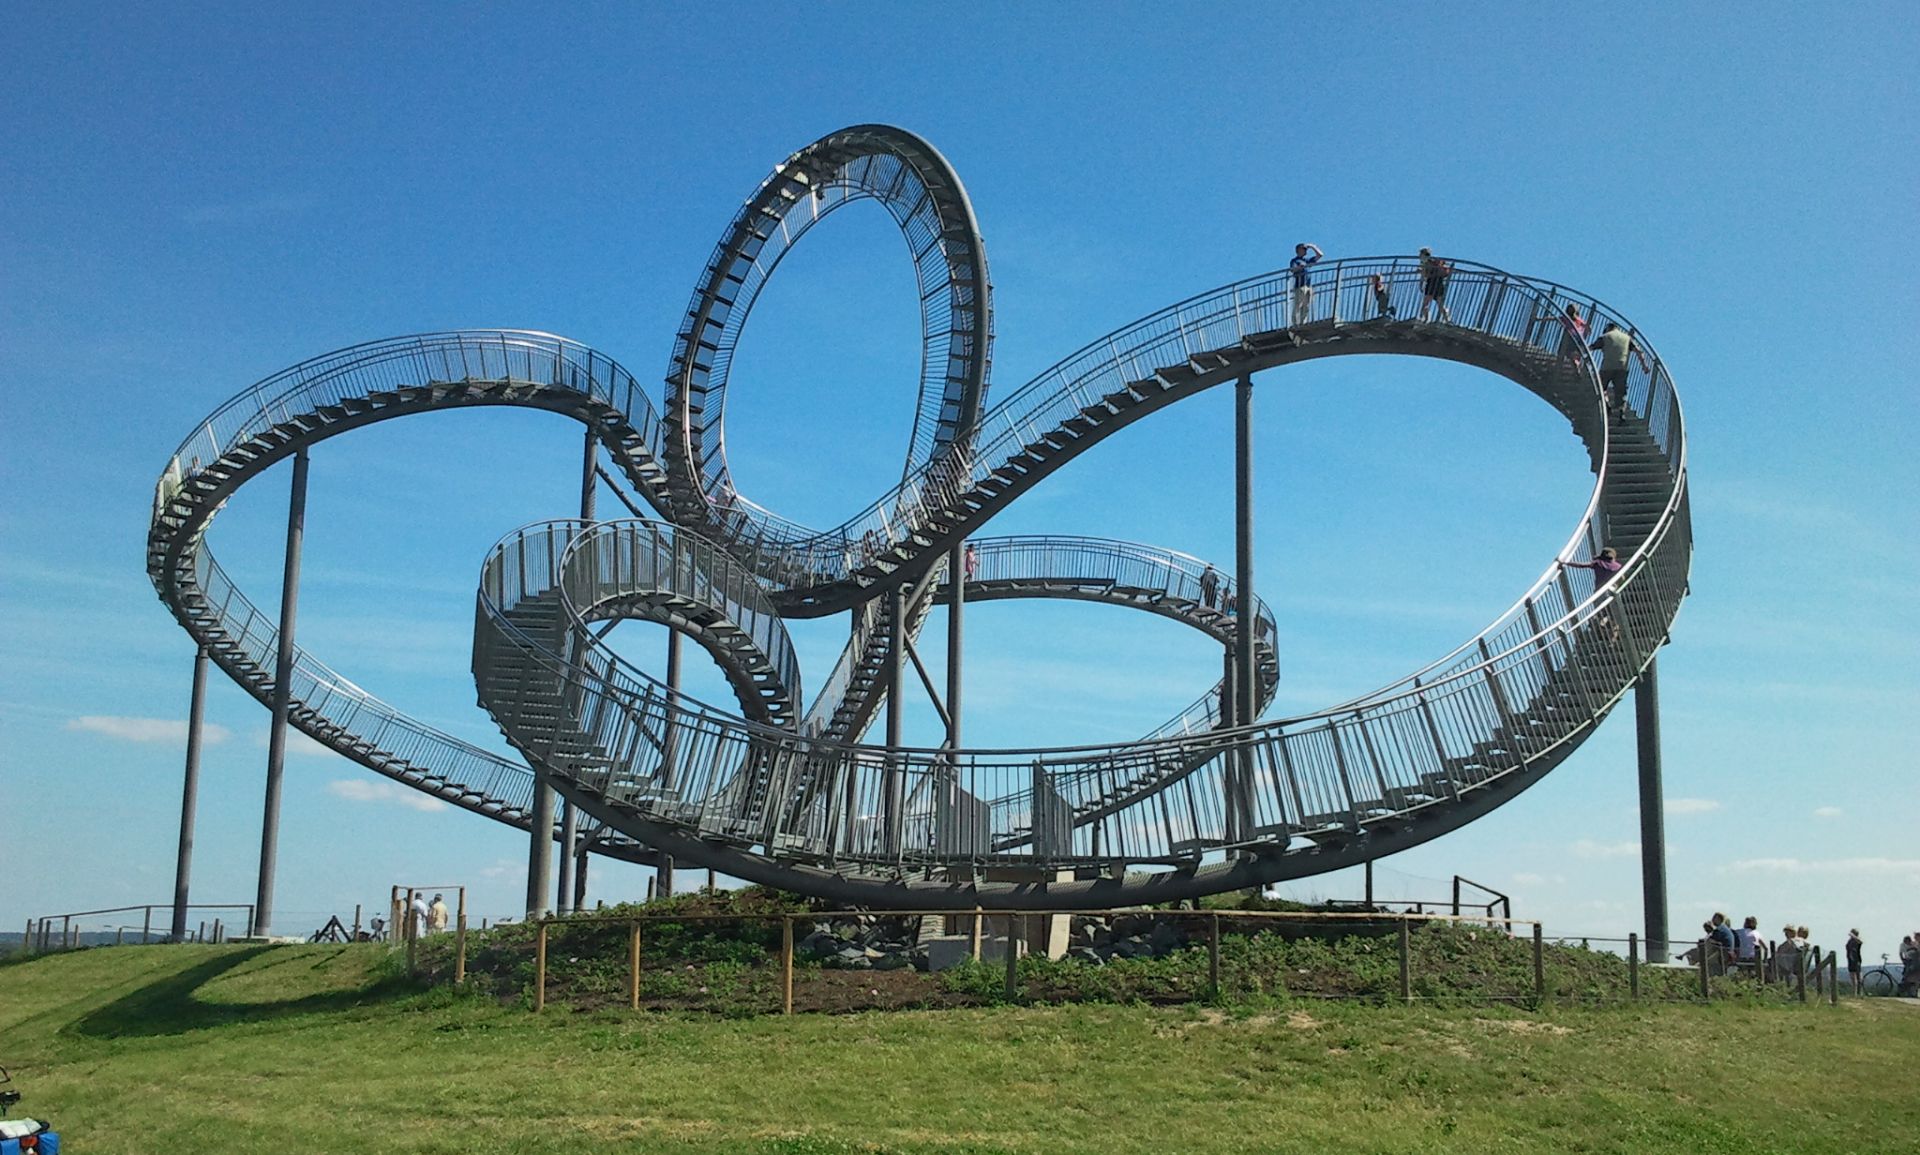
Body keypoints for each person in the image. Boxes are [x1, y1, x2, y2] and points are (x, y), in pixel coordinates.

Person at [1589, 322, 1651, 420]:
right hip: (1622, 368)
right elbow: (1638, 351)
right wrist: (1644, 366)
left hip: (1607, 367)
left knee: (1601, 388)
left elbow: (1590, 348)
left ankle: (1607, 406)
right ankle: (1621, 412)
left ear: (1608, 328)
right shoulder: (1627, 338)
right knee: (1621, 392)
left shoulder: (1605, 337)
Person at [1289, 242, 1323, 330]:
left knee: (1306, 306)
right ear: (1298, 250)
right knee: (1298, 305)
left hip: (1308, 286)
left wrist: (1312, 246)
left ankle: (1303, 323)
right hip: (1300, 286)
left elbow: (1320, 255)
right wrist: (1300, 267)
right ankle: (1295, 324)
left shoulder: (1306, 260)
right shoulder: (1295, 260)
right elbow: (1293, 269)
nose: (1305, 251)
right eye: (1304, 249)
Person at [1418, 248, 1453, 323]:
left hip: (1431, 284)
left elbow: (1423, 275)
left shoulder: (1426, 264)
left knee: (1425, 304)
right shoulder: (1435, 262)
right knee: (1440, 304)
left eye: (1420, 255)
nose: (1419, 256)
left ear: (1424, 255)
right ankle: (1447, 319)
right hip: (1439, 283)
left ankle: (1426, 319)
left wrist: (1421, 284)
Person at [1846, 929, 1864, 995]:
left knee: (1858, 977)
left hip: (1856, 960)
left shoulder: (1857, 941)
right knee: (1852, 976)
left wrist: (1853, 936)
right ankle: (1854, 993)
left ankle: (1858, 992)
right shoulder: (1849, 941)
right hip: (1850, 960)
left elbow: (1861, 942)